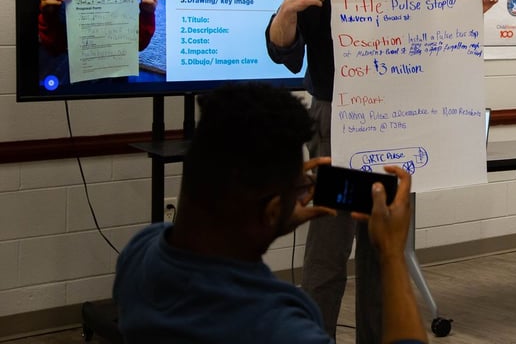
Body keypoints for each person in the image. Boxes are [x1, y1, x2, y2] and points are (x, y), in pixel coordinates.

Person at [265, 0, 497, 343]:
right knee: (329, 253)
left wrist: (468, 17)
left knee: (384, 250)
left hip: (395, 126)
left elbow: (421, 49)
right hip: (339, 125)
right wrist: (287, 11)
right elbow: (281, 52)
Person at [112, 82, 428, 344]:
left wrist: (276, 213)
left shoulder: (139, 254)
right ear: (272, 209)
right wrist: (391, 254)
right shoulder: (280, 327)